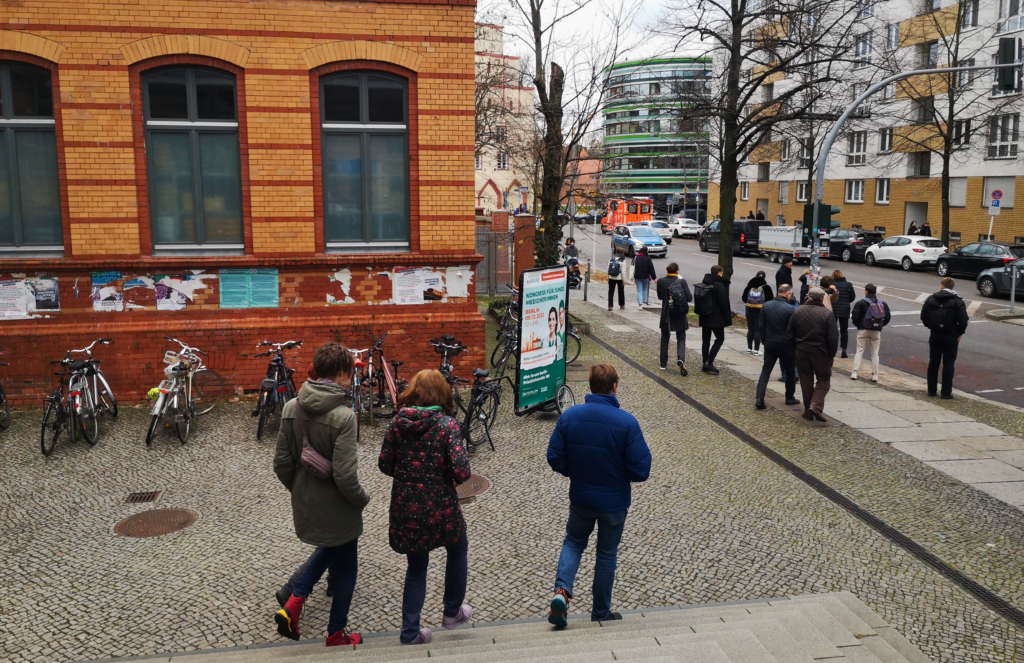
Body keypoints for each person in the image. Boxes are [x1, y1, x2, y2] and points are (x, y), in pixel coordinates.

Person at [274, 343, 370, 647]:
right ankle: (335, 634)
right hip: (340, 507)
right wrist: (361, 499)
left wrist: (300, 490)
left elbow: (281, 464)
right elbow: (345, 476)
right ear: (341, 373)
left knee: (329, 550)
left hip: (306, 502)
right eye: (348, 373)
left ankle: (295, 601)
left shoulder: (292, 407)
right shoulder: (344, 416)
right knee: (348, 570)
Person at [546, 364, 651, 626]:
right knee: (606, 554)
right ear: (614, 387)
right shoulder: (627, 422)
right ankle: (601, 613)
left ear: (590, 386)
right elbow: (642, 469)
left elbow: (554, 457)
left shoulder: (569, 417)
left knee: (573, 542)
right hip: (614, 503)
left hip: (581, 498)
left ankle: (561, 592)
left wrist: (575, 472)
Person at [379, 370, 473, 645]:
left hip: (407, 510)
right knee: (458, 549)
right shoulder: (447, 425)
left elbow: (385, 464)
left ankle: (410, 632)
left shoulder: (398, 423)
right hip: (441, 508)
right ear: (441, 394)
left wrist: (408, 473)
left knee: (416, 567)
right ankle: (452, 612)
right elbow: (462, 471)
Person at [786, 288, 838, 422]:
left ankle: (808, 410)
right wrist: (831, 354)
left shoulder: (798, 311)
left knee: (806, 380)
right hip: (821, 352)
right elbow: (832, 337)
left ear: (808, 297)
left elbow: (790, 333)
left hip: (801, 351)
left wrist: (794, 349)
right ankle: (815, 405)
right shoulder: (827, 314)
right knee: (824, 379)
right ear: (822, 299)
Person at [920, 277, 969, 399]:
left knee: (933, 362)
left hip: (935, 334)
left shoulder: (931, 299)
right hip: (951, 336)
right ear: (952, 287)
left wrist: (930, 326)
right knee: (948, 363)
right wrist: (960, 332)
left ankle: (931, 390)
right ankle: (946, 392)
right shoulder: (957, 302)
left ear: (941, 286)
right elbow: (963, 320)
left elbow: (923, 315)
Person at [755, 284, 800, 409]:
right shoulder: (790, 309)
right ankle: (789, 397)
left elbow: (761, 326)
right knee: (790, 371)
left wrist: (764, 340)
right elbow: (792, 330)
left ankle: (759, 398)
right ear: (788, 294)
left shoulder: (766, 306)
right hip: (785, 344)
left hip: (770, 342)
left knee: (766, 371)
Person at [850, 283, 891, 382]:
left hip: (863, 330)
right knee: (875, 353)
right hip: (876, 331)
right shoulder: (883, 304)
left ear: (866, 292)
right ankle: (875, 375)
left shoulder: (861, 303)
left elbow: (855, 317)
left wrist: (860, 326)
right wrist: (880, 326)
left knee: (859, 351)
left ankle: (855, 372)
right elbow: (887, 317)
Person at [656, 262, 692, 375]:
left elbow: (660, 297)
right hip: (680, 314)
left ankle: (663, 363)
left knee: (665, 337)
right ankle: (681, 358)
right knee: (681, 337)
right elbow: (690, 298)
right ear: (677, 271)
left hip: (667, 314)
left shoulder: (661, 281)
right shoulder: (682, 282)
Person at [697, 264, 732, 375]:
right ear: (719, 273)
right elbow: (723, 302)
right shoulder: (719, 285)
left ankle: (705, 363)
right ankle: (709, 361)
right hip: (716, 317)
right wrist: (726, 316)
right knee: (720, 339)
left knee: (706, 340)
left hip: (705, 315)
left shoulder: (705, 283)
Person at [741, 271, 774, 355]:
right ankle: (756, 350)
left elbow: (744, 298)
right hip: (760, 310)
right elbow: (770, 299)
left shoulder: (749, 286)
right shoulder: (766, 287)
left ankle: (749, 348)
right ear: (764, 277)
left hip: (749, 309)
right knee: (757, 330)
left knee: (750, 329)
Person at [830, 270, 857, 359]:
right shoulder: (848, 284)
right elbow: (852, 297)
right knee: (844, 330)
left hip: (833, 308)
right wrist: (846, 301)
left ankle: (832, 349)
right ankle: (844, 350)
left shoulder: (831, 284)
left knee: (832, 330)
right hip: (844, 309)